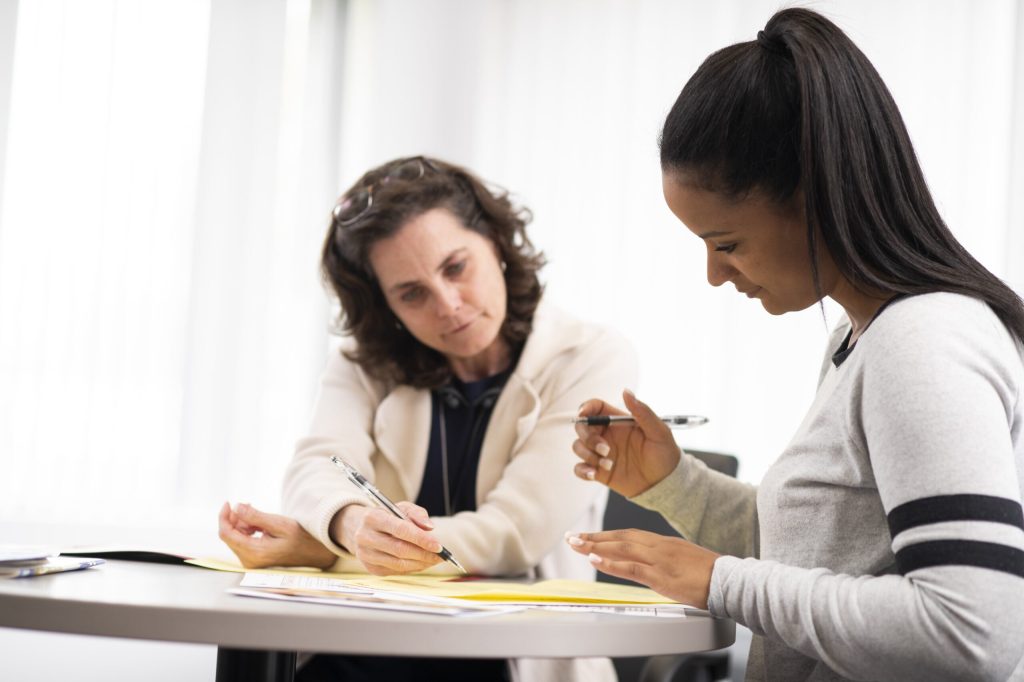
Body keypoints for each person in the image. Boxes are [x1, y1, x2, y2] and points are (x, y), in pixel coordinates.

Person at [566, 8, 1024, 682]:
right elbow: (820, 554)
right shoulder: (862, 338)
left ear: (816, 195)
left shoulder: (922, 343)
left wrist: (722, 582)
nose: (715, 275)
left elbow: (971, 634)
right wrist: (673, 483)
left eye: (726, 244)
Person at [219, 155, 635, 682]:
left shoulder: (589, 355)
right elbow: (314, 469)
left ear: (497, 245)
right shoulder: (361, 360)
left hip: (509, 656)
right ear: (386, 305)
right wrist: (350, 524)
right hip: (365, 644)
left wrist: (331, 553)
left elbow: (513, 536)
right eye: (411, 293)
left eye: (456, 267)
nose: (448, 305)